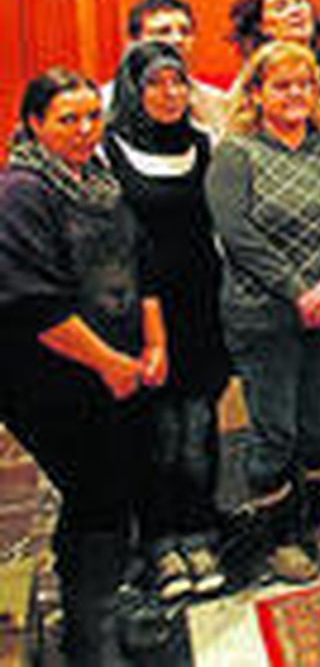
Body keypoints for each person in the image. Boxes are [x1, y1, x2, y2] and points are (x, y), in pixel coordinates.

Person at [0, 70, 164, 662]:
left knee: (113, 490)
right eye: (67, 119)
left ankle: (106, 608)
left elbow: (141, 261)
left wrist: (154, 343)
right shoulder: (22, 190)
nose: (84, 130)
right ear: (34, 124)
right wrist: (108, 363)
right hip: (54, 376)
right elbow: (31, 303)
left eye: (93, 116)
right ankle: (88, 634)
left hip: (117, 366)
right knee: (88, 497)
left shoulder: (98, 177)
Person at [206, 42, 320, 583]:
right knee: (274, 429)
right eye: (282, 85)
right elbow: (237, 235)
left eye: (305, 84)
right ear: (256, 93)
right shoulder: (236, 154)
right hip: (265, 315)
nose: (296, 94)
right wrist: (299, 290)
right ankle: (280, 539)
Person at [104, 41, 229, 600]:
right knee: (156, 433)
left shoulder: (204, 145)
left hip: (202, 304)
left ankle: (200, 532)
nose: (169, 94)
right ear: (134, 88)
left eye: (178, 82)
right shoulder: (110, 150)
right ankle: (160, 544)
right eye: (156, 83)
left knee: (198, 428)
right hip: (141, 310)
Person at [111, 0, 227, 133]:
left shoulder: (215, 102)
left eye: (185, 32)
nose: (178, 39)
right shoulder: (104, 103)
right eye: (163, 32)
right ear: (136, 42)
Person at [227, 0, 320, 106]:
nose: (296, 11)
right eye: (281, 7)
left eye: (299, 1)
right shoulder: (252, 80)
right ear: (262, 26)